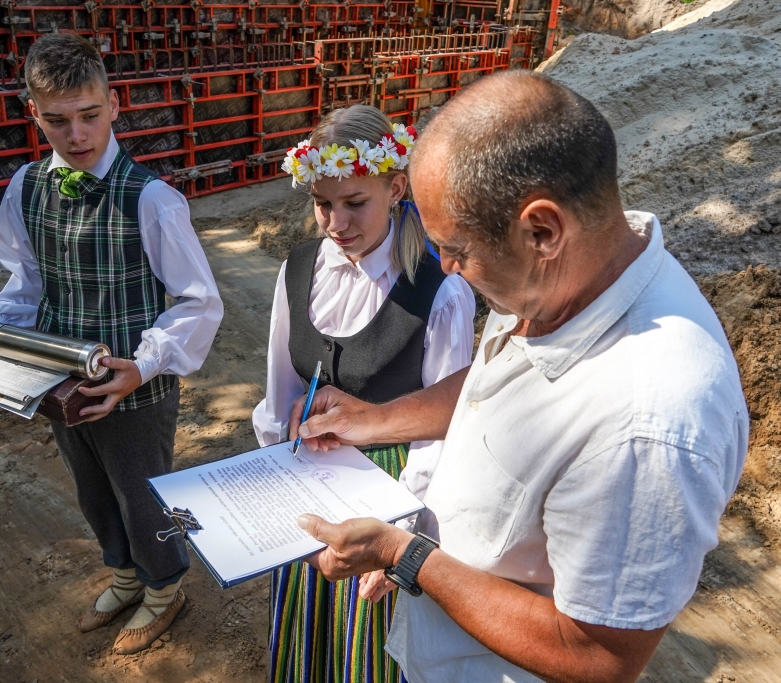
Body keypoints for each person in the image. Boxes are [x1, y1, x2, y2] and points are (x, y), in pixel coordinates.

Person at [287, 71, 748, 682]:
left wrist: (406, 555)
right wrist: (377, 420)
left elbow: (597, 656)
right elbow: (495, 383)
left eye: (456, 247)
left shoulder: (650, 421)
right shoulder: (568, 275)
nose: (445, 265)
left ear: (542, 229)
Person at [0, 33, 223, 655]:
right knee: (90, 485)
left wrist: (146, 364)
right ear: (34, 113)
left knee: (144, 490)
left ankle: (164, 587)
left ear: (113, 104)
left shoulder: (151, 199)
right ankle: (124, 573)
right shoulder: (27, 187)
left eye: (88, 115)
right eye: (56, 120)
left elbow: (198, 301)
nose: (75, 135)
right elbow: (27, 281)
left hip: (135, 382)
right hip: (58, 377)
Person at [255, 105, 475, 683]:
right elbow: (280, 393)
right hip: (306, 480)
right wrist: (272, 474)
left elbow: (446, 427)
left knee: (367, 651)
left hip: (390, 489)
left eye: (356, 203)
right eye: (323, 204)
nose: (336, 222)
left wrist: (407, 536)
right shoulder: (299, 268)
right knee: (310, 632)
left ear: (395, 186)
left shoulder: (439, 291)